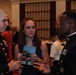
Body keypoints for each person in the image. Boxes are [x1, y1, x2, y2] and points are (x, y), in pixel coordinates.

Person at [34, 11, 76, 75]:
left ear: (71, 25)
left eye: (61, 24)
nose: (58, 27)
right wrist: (51, 69)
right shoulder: (70, 42)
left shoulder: (74, 45)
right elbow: (65, 68)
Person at [0, 9, 22, 75]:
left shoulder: (1, 37)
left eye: (7, 21)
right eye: (4, 21)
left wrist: (13, 67)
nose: (7, 24)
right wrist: (8, 68)